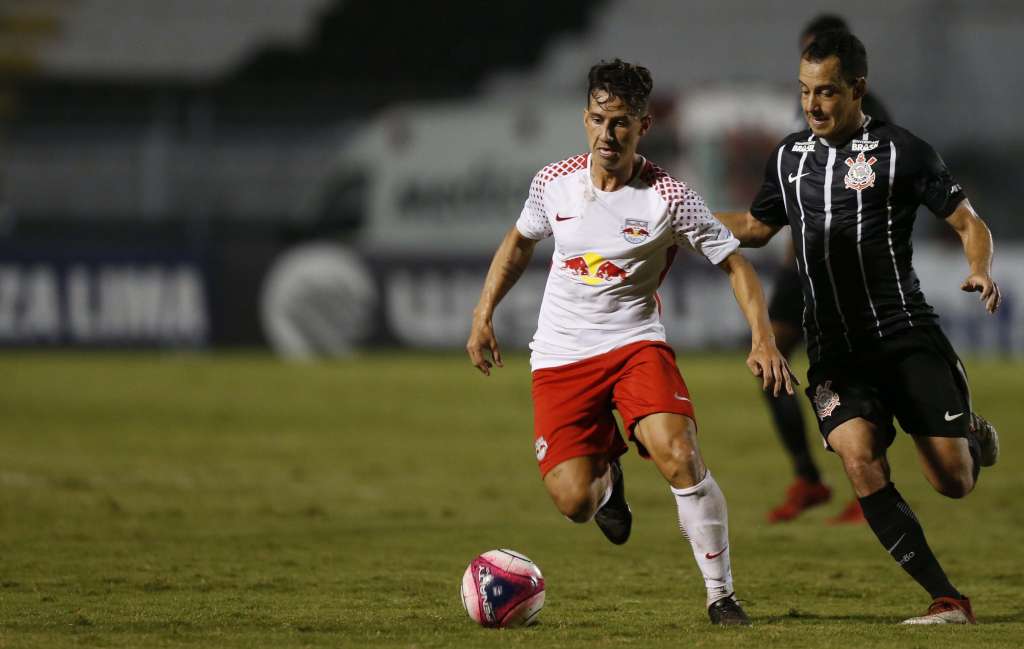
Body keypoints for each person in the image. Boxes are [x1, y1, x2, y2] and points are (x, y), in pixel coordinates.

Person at [466, 59, 794, 626]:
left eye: (620, 123)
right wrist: (483, 313)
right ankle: (609, 481)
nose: (606, 135)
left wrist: (763, 339)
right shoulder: (553, 183)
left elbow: (737, 265)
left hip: (634, 344)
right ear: (585, 119)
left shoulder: (668, 197)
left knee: (679, 452)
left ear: (643, 126)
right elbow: (519, 243)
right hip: (561, 356)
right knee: (574, 501)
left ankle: (722, 596)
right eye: (597, 120)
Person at [716, 31, 1000, 625]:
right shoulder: (789, 158)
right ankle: (947, 599)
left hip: (905, 337)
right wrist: (678, 215)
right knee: (857, 454)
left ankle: (969, 431)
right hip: (836, 351)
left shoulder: (902, 151)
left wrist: (979, 270)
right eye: (804, 92)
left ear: (857, 90)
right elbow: (756, 226)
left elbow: (969, 222)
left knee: (953, 481)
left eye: (826, 92)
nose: (812, 105)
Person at [763, 13, 894, 525]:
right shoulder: (809, 120)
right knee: (771, 356)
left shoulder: (871, 119)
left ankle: (874, 476)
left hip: (849, 269)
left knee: (858, 365)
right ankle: (808, 478)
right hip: (802, 264)